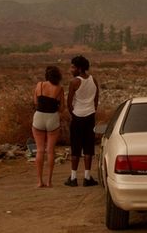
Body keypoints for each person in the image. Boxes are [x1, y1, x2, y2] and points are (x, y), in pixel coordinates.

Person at [64, 55, 100, 187]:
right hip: (90, 116)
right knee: (88, 147)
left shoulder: (74, 82)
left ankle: (73, 178)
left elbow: (69, 102)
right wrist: (92, 109)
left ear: (79, 69)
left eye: (73, 67)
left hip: (77, 117)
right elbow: (96, 99)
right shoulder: (93, 80)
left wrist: (73, 113)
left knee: (76, 147)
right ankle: (87, 177)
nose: (71, 69)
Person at [32, 65, 64, 188]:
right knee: (50, 151)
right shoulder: (59, 89)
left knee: (39, 150)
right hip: (52, 118)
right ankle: (49, 181)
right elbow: (62, 108)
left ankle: (40, 182)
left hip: (39, 117)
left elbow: (35, 102)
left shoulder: (39, 85)